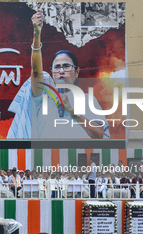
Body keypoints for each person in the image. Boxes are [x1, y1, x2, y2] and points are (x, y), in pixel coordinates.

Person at [7, 10, 110, 139]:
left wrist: (72, 112)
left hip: (77, 158)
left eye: (66, 66)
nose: (61, 71)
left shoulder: (88, 100)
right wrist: (37, 34)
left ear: (77, 72)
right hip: (43, 158)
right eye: (57, 67)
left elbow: (100, 134)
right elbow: (36, 71)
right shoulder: (42, 97)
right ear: (52, 72)